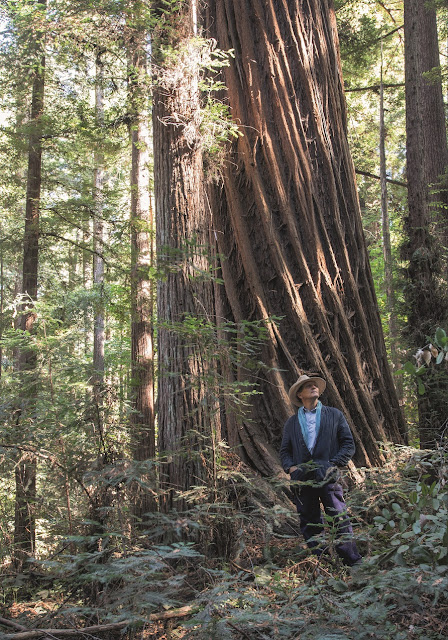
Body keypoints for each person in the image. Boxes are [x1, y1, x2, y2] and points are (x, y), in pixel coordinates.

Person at [280, 373, 362, 566]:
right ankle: (322, 562)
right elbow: (285, 450)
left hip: (328, 475)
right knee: (309, 519)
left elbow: (348, 444)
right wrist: (291, 468)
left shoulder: (334, 415)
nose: (313, 387)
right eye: (307, 386)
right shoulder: (292, 422)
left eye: (314, 385)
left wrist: (333, 464)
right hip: (302, 479)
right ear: (300, 395)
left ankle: (352, 561)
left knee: (338, 516)